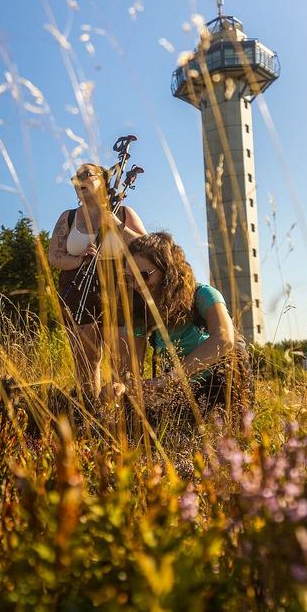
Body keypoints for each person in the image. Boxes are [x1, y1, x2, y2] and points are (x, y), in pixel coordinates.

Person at [115, 232, 251, 421]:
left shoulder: (203, 294)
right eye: (129, 277)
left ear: (167, 271)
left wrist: (169, 379)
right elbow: (132, 368)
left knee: (237, 356)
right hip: (177, 390)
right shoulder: (139, 309)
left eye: (143, 275)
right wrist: (124, 387)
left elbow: (224, 338)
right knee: (130, 415)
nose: (136, 284)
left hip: (217, 383)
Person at [47, 162, 147, 398]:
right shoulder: (68, 217)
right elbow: (54, 255)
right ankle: (90, 413)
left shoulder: (123, 212)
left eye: (86, 175)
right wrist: (80, 259)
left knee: (122, 360)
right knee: (86, 359)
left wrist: (117, 225)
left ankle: (123, 415)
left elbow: (146, 247)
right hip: (78, 290)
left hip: (120, 290)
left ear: (103, 180)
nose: (79, 180)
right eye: (76, 177)